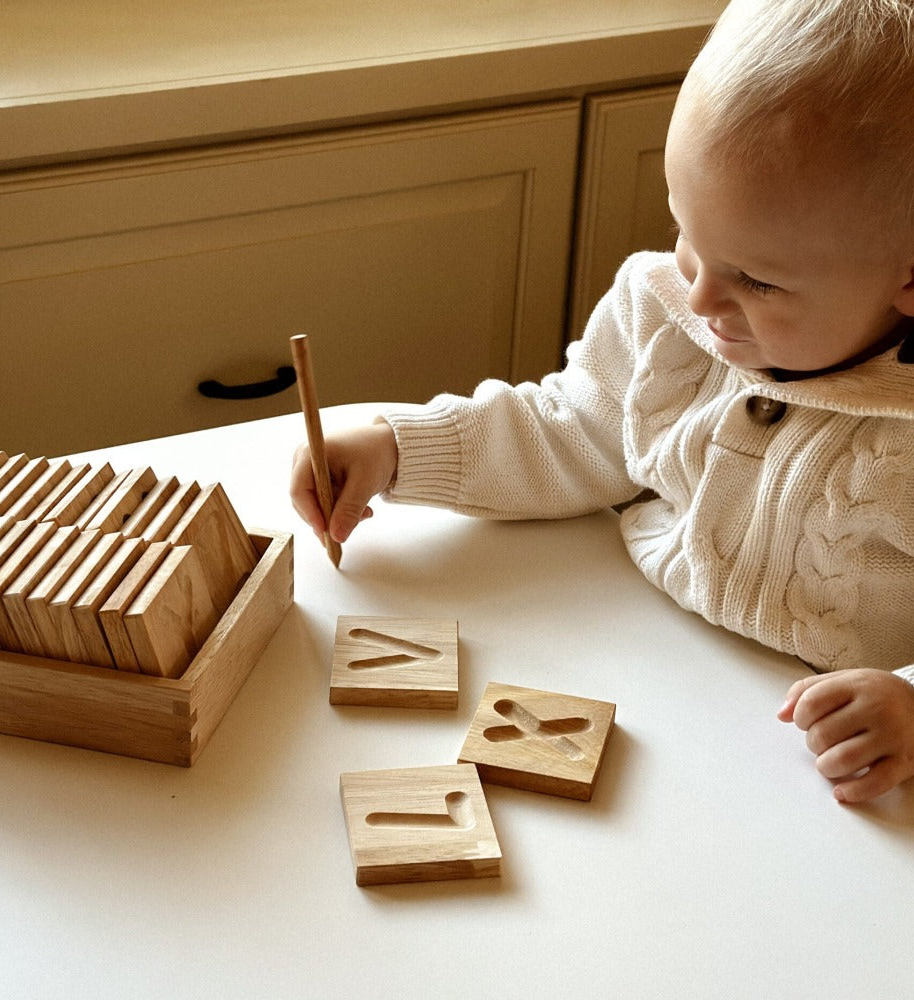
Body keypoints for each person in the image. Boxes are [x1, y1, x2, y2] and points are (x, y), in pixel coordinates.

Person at [289, 0, 914, 804]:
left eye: (757, 281)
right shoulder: (668, 314)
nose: (701, 294)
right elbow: (569, 430)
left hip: (810, 780)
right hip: (637, 679)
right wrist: (395, 450)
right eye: (688, 234)